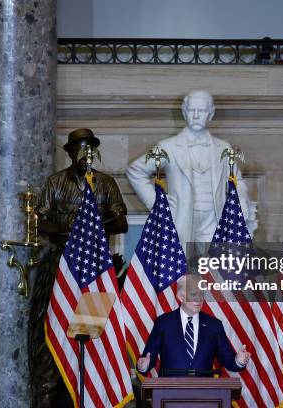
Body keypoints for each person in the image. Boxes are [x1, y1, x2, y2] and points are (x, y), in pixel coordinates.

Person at [29, 128, 128, 407]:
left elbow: (121, 222)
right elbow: (40, 222)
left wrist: (93, 228)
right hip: (59, 270)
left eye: (89, 148)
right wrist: (69, 229)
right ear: (70, 152)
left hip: (95, 271)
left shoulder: (105, 184)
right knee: (52, 337)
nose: (85, 153)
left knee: (91, 342)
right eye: (79, 148)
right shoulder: (56, 182)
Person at [126, 90, 257, 248]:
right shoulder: (168, 147)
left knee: (213, 269)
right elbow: (135, 171)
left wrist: (241, 199)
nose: (195, 115)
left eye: (201, 110)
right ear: (184, 111)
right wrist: (158, 206)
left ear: (211, 113)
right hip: (180, 218)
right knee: (181, 269)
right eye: (191, 110)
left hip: (215, 220)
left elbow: (238, 181)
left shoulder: (223, 147)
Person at [136, 275, 250, 376]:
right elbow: (149, 356)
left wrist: (238, 361)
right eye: (193, 294)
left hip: (205, 395)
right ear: (181, 297)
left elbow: (226, 358)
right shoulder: (163, 323)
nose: (199, 299)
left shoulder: (214, 325)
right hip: (169, 394)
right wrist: (144, 365)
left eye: (201, 294)